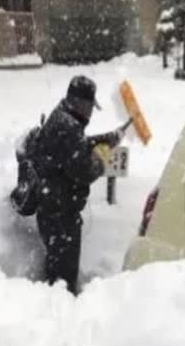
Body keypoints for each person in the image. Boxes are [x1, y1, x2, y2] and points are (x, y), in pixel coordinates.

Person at [34, 75, 126, 295]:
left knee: (58, 273)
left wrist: (105, 138)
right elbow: (84, 171)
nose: (91, 113)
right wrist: (103, 155)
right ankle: (61, 315)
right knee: (62, 281)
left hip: (54, 210)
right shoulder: (67, 127)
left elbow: (77, 146)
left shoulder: (64, 118)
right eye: (90, 107)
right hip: (60, 216)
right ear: (80, 103)